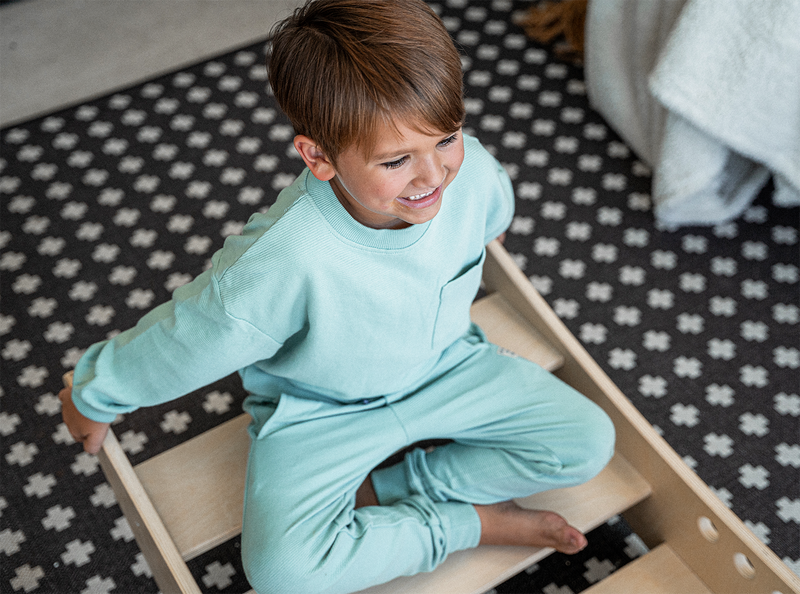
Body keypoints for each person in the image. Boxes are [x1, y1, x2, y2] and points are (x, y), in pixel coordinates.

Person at [59, 1, 615, 592]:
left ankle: (394, 489)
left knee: (587, 443)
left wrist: (485, 214)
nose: (434, 176)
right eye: (397, 160)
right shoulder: (285, 255)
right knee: (283, 573)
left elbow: (490, 197)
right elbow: (192, 335)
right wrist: (97, 392)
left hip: (448, 367)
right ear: (318, 157)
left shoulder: (467, 169)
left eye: (447, 137)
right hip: (318, 409)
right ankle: (465, 525)